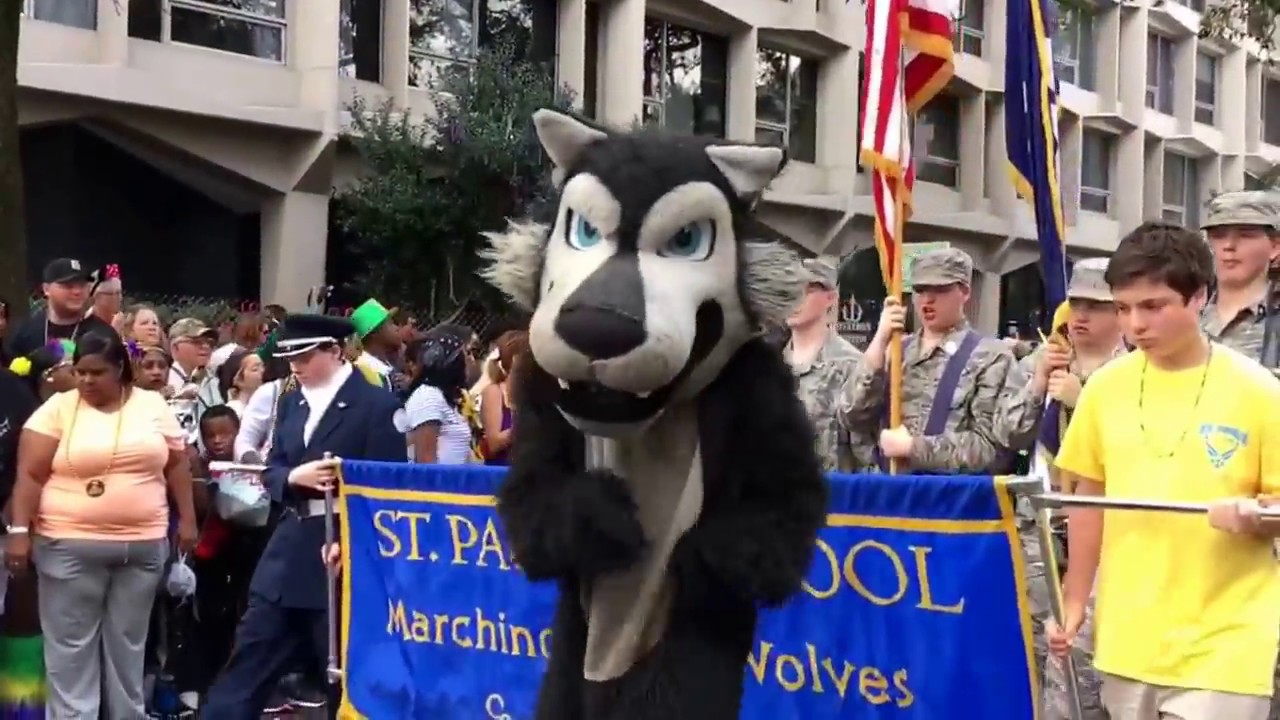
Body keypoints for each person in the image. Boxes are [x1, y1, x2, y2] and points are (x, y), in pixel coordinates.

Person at [1048, 222, 1280, 720]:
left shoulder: (1259, 391)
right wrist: (1073, 603)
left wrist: (1256, 516)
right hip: (1129, 638)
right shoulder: (1105, 389)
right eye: (1124, 308)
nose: (1136, 324)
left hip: (1228, 644)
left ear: (1198, 297)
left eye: (1153, 306)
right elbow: (1089, 500)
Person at [202, 314, 407, 717]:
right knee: (249, 661)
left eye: (306, 356)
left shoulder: (377, 406)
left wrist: (353, 541)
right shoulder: (292, 402)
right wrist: (292, 477)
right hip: (290, 546)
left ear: (334, 351)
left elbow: (388, 487)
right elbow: (274, 465)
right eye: (290, 357)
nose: (295, 366)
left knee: (344, 674)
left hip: (341, 550)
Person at [6, 330, 198, 718]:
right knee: (71, 650)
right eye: (80, 372)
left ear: (120, 370)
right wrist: (19, 532)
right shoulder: (58, 408)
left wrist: (188, 520)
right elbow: (29, 475)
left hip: (142, 546)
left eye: (97, 372)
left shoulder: (151, 405)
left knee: (128, 646)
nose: (86, 381)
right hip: (68, 544)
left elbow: (177, 464)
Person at [838, 246, 1020, 474]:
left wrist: (914, 448)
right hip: (889, 493)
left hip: (949, 500)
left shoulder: (991, 357)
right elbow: (851, 418)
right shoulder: (896, 350)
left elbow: (992, 450)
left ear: (964, 292)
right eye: (920, 289)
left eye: (940, 289)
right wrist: (879, 343)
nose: (928, 299)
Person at [785, 257, 865, 472]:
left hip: (833, 497)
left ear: (830, 298)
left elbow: (865, 453)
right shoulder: (770, 366)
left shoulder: (851, 366)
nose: (794, 297)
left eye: (807, 289)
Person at [1199, 190, 1280, 363]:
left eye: (1245, 235)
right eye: (1219, 235)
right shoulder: (1185, 309)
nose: (1229, 245)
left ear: (1275, 246)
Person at [3, 258, 116, 360]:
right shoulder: (24, 332)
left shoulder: (103, 334)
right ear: (46, 289)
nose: (77, 292)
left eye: (82, 285)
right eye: (68, 286)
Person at [404, 327, 483, 465]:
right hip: (442, 485)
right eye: (467, 354)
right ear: (452, 363)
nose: (471, 360)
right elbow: (426, 462)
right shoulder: (428, 396)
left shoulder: (448, 397)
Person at [479, 330, 528, 465]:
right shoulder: (494, 392)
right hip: (502, 470)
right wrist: (529, 423)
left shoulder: (535, 391)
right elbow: (494, 443)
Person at [349, 298, 403, 390]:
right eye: (391, 324)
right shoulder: (365, 374)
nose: (397, 328)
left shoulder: (384, 368)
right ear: (375, 334)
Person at [217, 349, 265, 417]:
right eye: (255, 369)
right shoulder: (234, 413)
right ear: (238, 380)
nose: (263, 371)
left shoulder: (264, 406)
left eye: (263, 366)